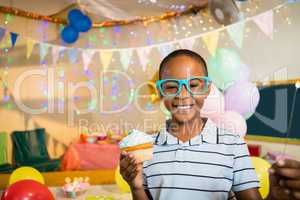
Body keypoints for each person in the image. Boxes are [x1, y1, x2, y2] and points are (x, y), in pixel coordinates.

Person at [119, 49, 300, 200]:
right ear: (160, 92)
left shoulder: (233, 144)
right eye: (171, 86)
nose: (182, 94)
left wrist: (275, 197)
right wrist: (136, 188)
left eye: (194, 85)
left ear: (207, 89)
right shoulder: (147, 148)